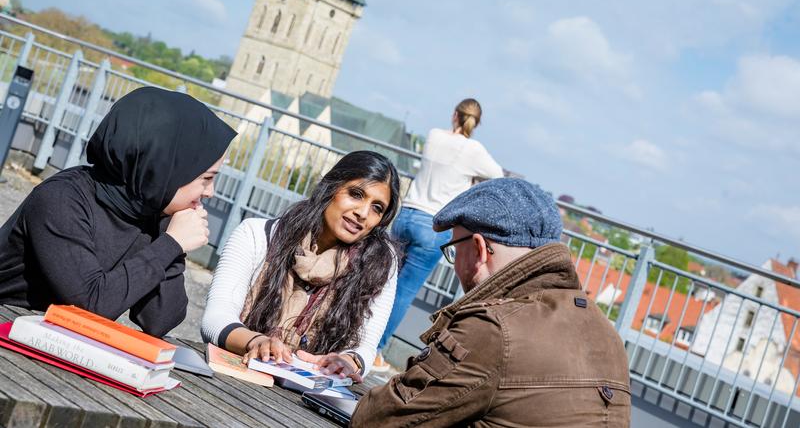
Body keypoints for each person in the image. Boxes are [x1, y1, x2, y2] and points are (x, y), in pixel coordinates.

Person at [352, 178, 631, 427]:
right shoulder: (609, 338)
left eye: (453, 250)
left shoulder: (493, 327)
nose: (455, 264)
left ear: (479, 249)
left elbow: (377, 420)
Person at [0, 87, 236, 337]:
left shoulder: (152, 209)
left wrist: (173, 243)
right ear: (166, 167)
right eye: (206, 178)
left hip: (54, 341)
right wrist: (171, 243)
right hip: (8, 324)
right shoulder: (61, 199)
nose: (210, 192)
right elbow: (90, 306)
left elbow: (160, 319)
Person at [201, 150, 401, 380]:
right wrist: (256, 341)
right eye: (356, 194)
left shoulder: (380, 264)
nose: (363, 213)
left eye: (377, 208)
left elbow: (365, 347)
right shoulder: (257, 235)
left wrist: (347, 361)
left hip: (307, 395)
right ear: (331, 187)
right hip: (232, 380)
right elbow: (216, 318)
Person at [374, 98, 503, 371]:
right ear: (476, 123)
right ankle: (374, 350)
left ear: (455, 115)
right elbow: (497, 176)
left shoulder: (433, 135)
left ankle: (353, 336)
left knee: (383, 280)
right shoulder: (474, 150)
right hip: (433, 227)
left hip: (406, 215)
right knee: (402, 293)